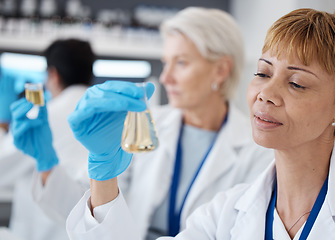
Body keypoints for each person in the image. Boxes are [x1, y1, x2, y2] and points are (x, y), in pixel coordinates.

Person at [66, 7, 335, 240]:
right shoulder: (224, 213)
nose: (266, 94)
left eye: (296, 83)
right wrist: (103, 169)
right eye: (262, 73)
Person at [13, 7, 273, 240]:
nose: (166, 77)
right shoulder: (148, 125)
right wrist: (47, 165)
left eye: (181, 63)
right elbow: (90, 215)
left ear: (221, 70)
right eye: (165, 63)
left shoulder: (257, 150)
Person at [3, 39, 94, 240]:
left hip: (42, 232)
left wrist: (2, 126)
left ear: (53, 74)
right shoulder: (105, 118)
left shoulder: (40, 117)